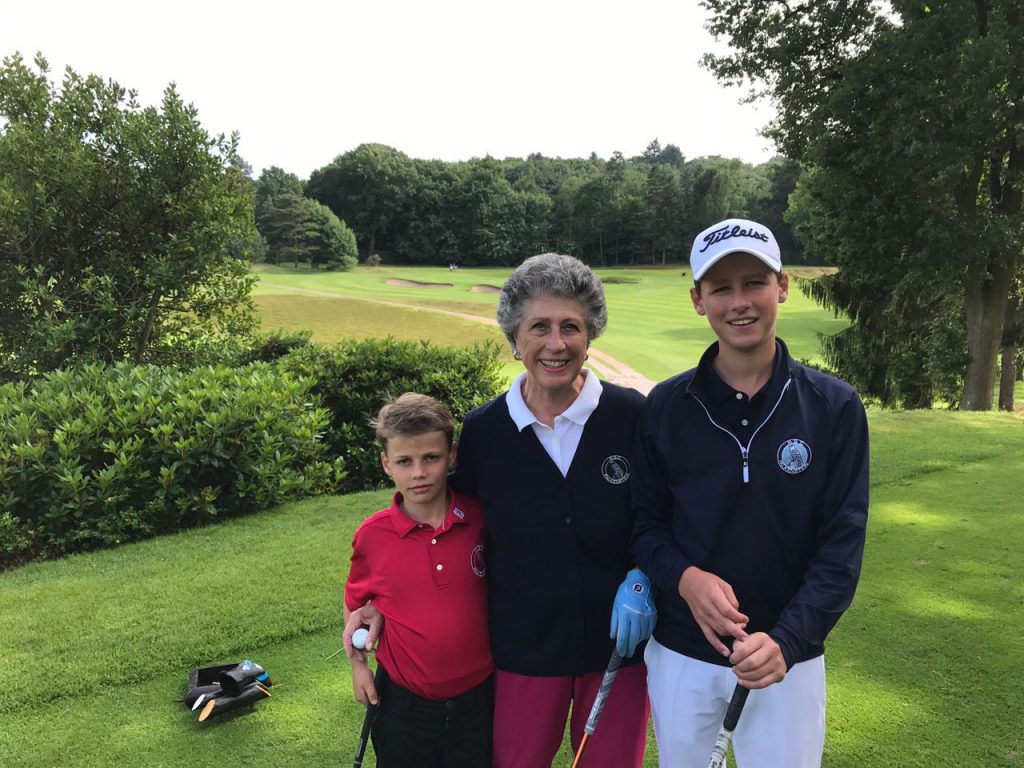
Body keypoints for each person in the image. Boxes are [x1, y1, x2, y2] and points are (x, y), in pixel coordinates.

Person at [346, 253, 655, 768]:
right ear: (515, 337)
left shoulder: (633, 416)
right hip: (520, 655)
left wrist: (648, 575)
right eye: (539, 327)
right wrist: (383, 602)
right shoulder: (486, 431)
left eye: (570, 327)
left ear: (590, 335)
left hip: (619, 654)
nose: (556, 344)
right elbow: (440, 520)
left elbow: (660, 513)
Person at [631, 218, 870, 767]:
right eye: (721, 288)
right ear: (698, 300)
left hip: (789, 658)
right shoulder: (664, 408)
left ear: (782, 286)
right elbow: (645, 527)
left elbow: (840, 550)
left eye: (754, 283)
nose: (739, 302)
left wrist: (787, 640)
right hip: (682, 653)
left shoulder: (833, 407)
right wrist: (685, 579)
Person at [343, 393, 493, 767]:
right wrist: (359, 666)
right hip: (403, 706)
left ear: (452, 455)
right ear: (386, 464)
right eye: (404, 462)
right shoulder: (372, 536)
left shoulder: (481, 519)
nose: (419, 473)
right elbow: (358, 609)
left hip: (481, 700)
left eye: (431, 458)